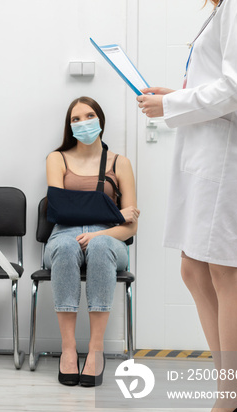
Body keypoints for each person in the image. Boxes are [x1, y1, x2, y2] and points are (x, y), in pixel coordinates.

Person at [136, 0, 237, 412]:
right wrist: (175, 95)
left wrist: (174, 103)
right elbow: (223, 77)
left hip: (231, 154)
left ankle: (232, 397)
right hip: (209, 148)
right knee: (193, 268)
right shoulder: (228, 6)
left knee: (226, 270)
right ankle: (230, 391)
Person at [44, 96, 139, 388]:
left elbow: (131, 226)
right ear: (68, 125)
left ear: (100, 120)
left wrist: (100, 232)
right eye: (75, 119)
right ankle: (69, 350)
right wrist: (114, 212)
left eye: (88, 116)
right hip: (63, 235)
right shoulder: (56, 159)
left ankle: (96, 351)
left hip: (110, 240)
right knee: (67, 245)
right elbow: (59, 211)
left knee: (97, 247)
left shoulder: (120, 163)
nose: (83, 123)